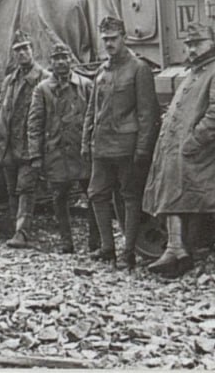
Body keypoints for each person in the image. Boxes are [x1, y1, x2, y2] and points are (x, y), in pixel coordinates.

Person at [143, 22, 215, 278]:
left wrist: (194, 141)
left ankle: (181, 249)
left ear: (212, 44)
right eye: (189, 45)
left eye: (198, 44)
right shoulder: (194, 73)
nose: (193, 49)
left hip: (202, 152)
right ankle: (176, 249)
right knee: (172, 190)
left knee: (186, 192)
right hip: (180, 151)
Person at [82, 16, 158, 269]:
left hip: (127, 146)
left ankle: (129, 252)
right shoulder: (101, 72)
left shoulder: (139, 69)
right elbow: (92, 111)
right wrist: (86, 142)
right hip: (102, 146)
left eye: (113, 38)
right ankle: (107, 248)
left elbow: (147, 113)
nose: (109, 44)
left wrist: (143, 147)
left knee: (130, 197)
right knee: (96, 194)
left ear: (124, 38)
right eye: (105, 39)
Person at [28, 42, 96, 254]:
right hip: (56, 152)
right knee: (59, 198)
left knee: (93, 195)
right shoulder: (42, 89)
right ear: (51, 62)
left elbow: (95, 117)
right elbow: (35, 123)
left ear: (70, 60)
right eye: (56, 59)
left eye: (64, 57)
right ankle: (67, 242)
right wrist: (35, 155)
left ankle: (95, 241)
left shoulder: (85, 85)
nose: (60, 62)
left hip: (82, 151)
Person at [0, 30, 48, 249]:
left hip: (29, 143)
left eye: (25, 48)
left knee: (25, 188)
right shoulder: (10, 80)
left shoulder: (43, 78)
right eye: (17, 50)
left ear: (33, 50)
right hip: (9, 143)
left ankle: (22, 233)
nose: (22, 53)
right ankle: (16, 228)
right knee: (12, 187)